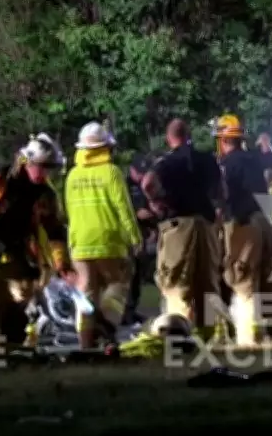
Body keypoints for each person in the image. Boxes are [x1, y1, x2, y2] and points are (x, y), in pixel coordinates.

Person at [0, 132, 72, 362]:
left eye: (50, 168)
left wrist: (61, 261)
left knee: (20, 294)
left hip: (14, 248)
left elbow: (54, 228)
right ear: (27, 161)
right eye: (42, 167)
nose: (45, 173)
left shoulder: (44, 193)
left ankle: (12, 345)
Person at [120, 119, 223, 356]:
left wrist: (157, 204)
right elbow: (221, 191)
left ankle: (180, 342)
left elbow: (148, 183)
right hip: (206, 225)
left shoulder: (165, 162)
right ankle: (208, 339)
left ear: (170, 138)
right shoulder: (208, 160)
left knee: (177, 284)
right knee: (206, 283)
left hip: (178, 225)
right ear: (189, 135)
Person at [65, 121, 141, 348]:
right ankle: (107, 329)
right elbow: (123, 208)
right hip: (109, 243)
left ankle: (86, 344)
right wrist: (134, 237)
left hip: (80, 244)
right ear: (105, 148)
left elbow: (68, 211)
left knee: (86, 294)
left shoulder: (71, 176)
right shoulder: (112, 173)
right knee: (118, 284)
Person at [213, 115, 272, 345]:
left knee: (243, 280)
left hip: (243, 223)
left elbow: (224, 195)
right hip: (265, 221)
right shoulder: (253, 158)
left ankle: (248, 337)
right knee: (268, 278)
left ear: (222, 140)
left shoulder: (226, 164)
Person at [124, 153, 155, 326]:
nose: (142, 175)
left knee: (138, 277)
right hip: (128, 236)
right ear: (132, 170)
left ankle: (132, 310)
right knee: (129, 275)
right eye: (139, 172)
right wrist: (137, 214)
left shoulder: (147, 184)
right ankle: (125, 313)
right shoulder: (125, 185)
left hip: (144, 234)